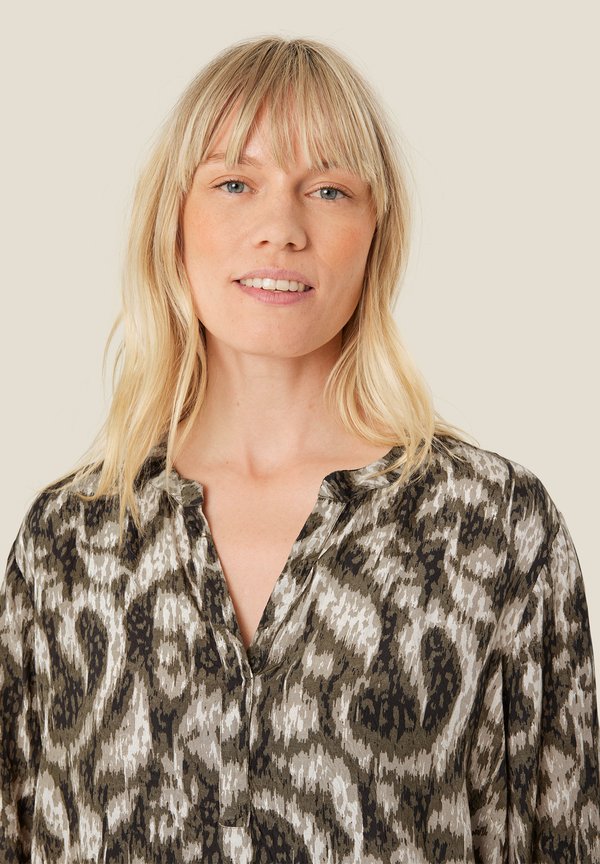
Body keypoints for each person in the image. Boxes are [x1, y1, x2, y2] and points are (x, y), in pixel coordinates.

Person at [1, 35, 598, 864]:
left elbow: (560, 836)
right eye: (234, 183)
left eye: (327, 189)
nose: (281, 229)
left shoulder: (493, 528)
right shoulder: (70, 541)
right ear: (174, 220)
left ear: (375, 230)